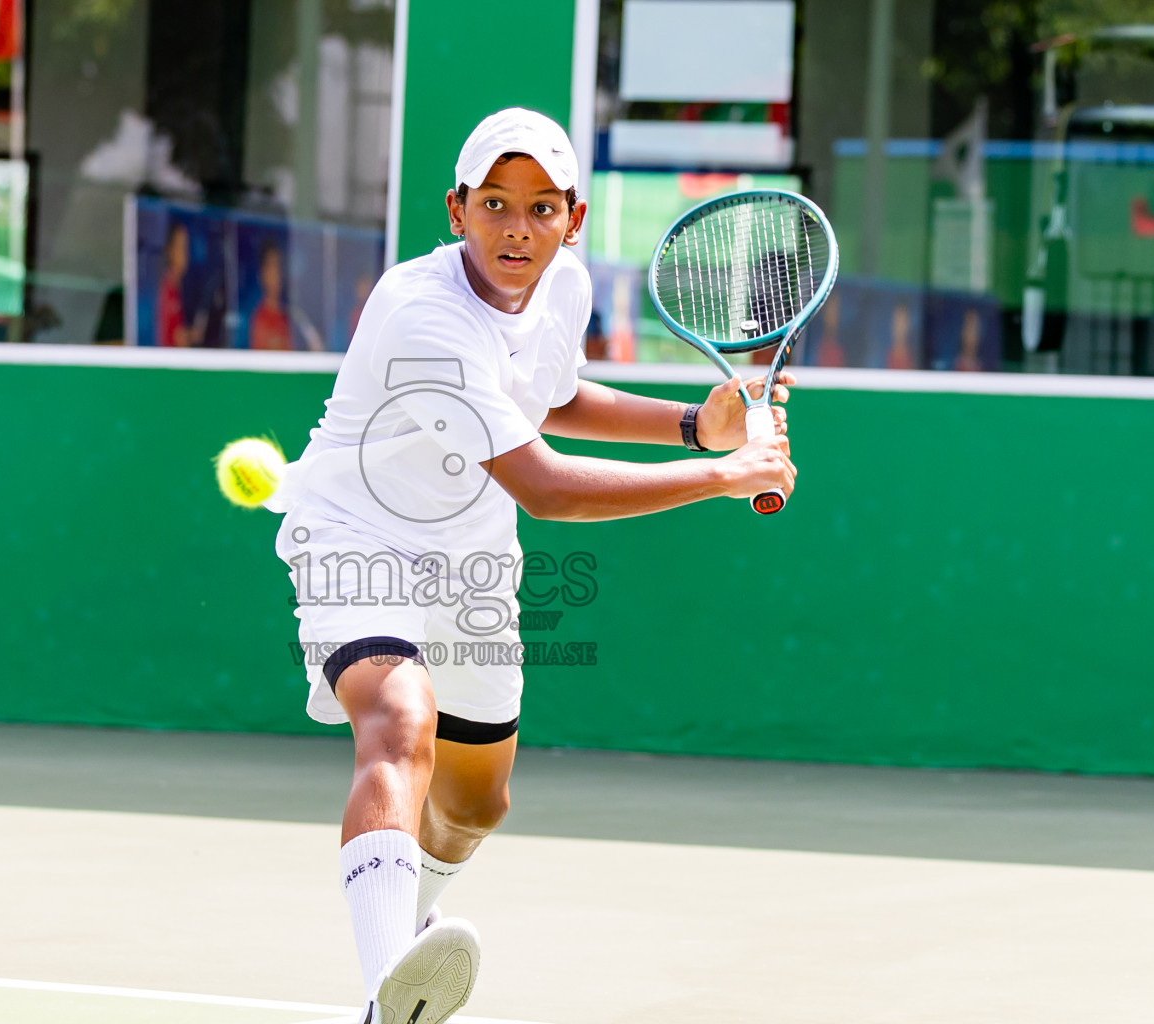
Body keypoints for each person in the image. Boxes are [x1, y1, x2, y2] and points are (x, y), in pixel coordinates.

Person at [264, 108, 795, 1024]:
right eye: (497, 205)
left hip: (472, 555)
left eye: (542, 208)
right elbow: (545, 487)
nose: (518, 228)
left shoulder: (563, 288)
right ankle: (384, 986)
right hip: (357, 536)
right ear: (457, 208)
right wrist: (720, 473)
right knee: (399, 720)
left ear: (573, 218)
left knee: (476, 802)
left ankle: (405, 937)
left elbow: (549, 398)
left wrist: (689, 424)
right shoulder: (419, 311)